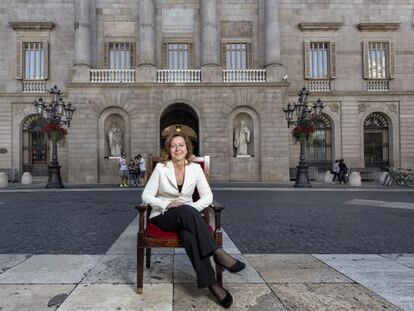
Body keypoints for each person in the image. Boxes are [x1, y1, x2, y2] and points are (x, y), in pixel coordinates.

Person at [142, 133, 245, 308]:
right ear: (169, 149)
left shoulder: (196, 169)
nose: (177, 149)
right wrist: (167, 204)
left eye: (181, 145)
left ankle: (212, 285)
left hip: (187, 217)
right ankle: (217, 253)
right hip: (163, 216)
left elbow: (208, 197)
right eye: (173, 145)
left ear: (187, 148)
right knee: (184, 212)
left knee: (189, 236)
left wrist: (190, 209)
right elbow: (145, 195)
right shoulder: (161, 168)